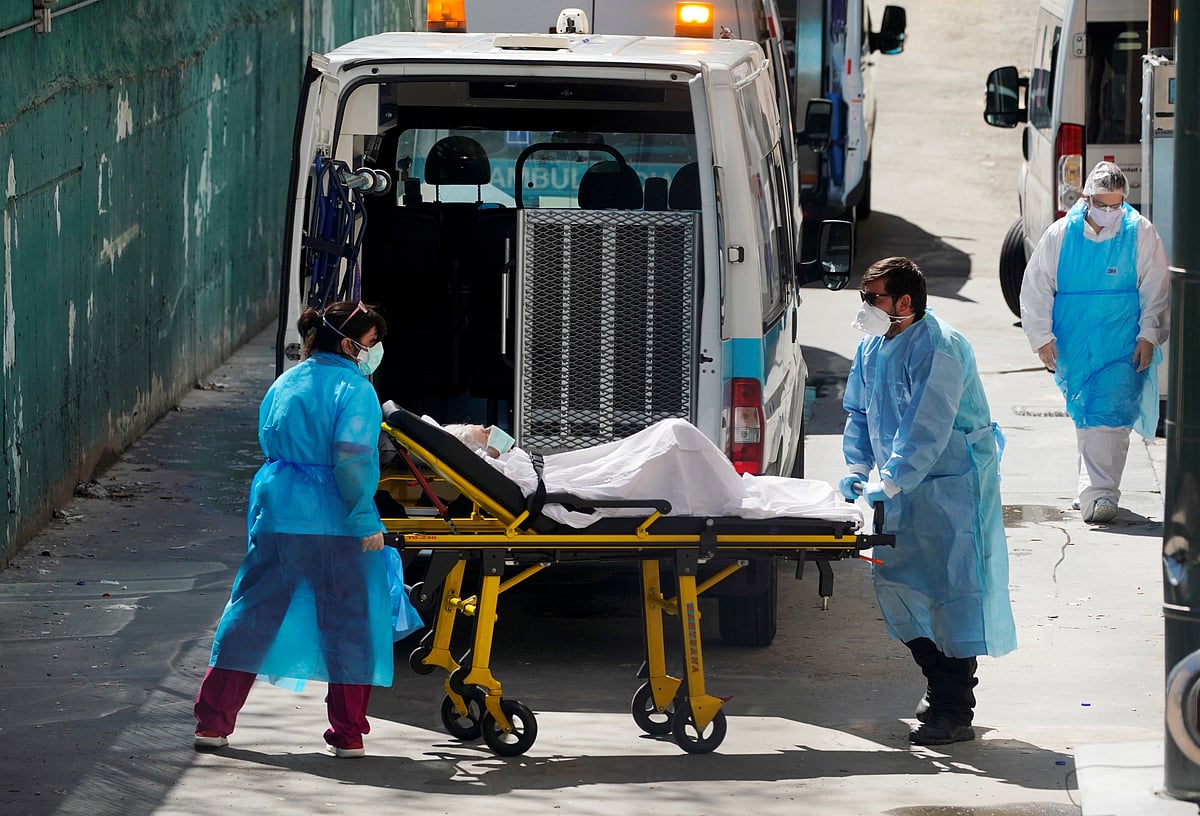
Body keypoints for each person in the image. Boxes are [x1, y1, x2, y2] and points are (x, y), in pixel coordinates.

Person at [193, 300, 398, 758]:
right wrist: (365, 518)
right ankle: (348, 734)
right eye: (370, 343)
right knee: (348, 623)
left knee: (250, 616)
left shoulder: (287, 380)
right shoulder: (355, 389)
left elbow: (272, 445)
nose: (374, 351)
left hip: (279, 515)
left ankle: (211, 723)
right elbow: (351, 458)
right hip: (335, 521)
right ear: (349, 343)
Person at [838, 256, 1016, 746]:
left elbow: (927, 427)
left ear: (904, 302)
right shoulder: (874, 345)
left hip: (950, 487)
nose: (866, 306)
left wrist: (890, 478)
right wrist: (857, 468)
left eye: (872, 297)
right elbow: (858, 409)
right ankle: (941, 687)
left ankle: (954, 709)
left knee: (951, 594)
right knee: (901, 587)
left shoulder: (941, 347)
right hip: (902, 488)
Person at [1019, 160, 1170, 524]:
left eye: (1115, 204)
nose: (1108, 211)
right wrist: (1041, 337)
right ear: (1085, 197)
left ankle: (1100, 494)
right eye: (1101, 203)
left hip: (1122, 340)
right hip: (1075, 341)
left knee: (1111, 413)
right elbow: (1037, 287)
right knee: (1086, 413)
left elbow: (1156, 287)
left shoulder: (1140, 232)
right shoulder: (1060, 235)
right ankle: (1090, 487)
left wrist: (1149, 334)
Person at [430, 416, 864, 528]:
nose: (488, 428)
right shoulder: (501, 469)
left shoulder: (493, 462)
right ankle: (722, 486)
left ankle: (723, 482)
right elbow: (532, 482)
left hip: (560, 477)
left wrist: (495, 446)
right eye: (479, 430)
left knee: (670, 437)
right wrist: (495, 448)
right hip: (567, 488)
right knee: (673, 438)